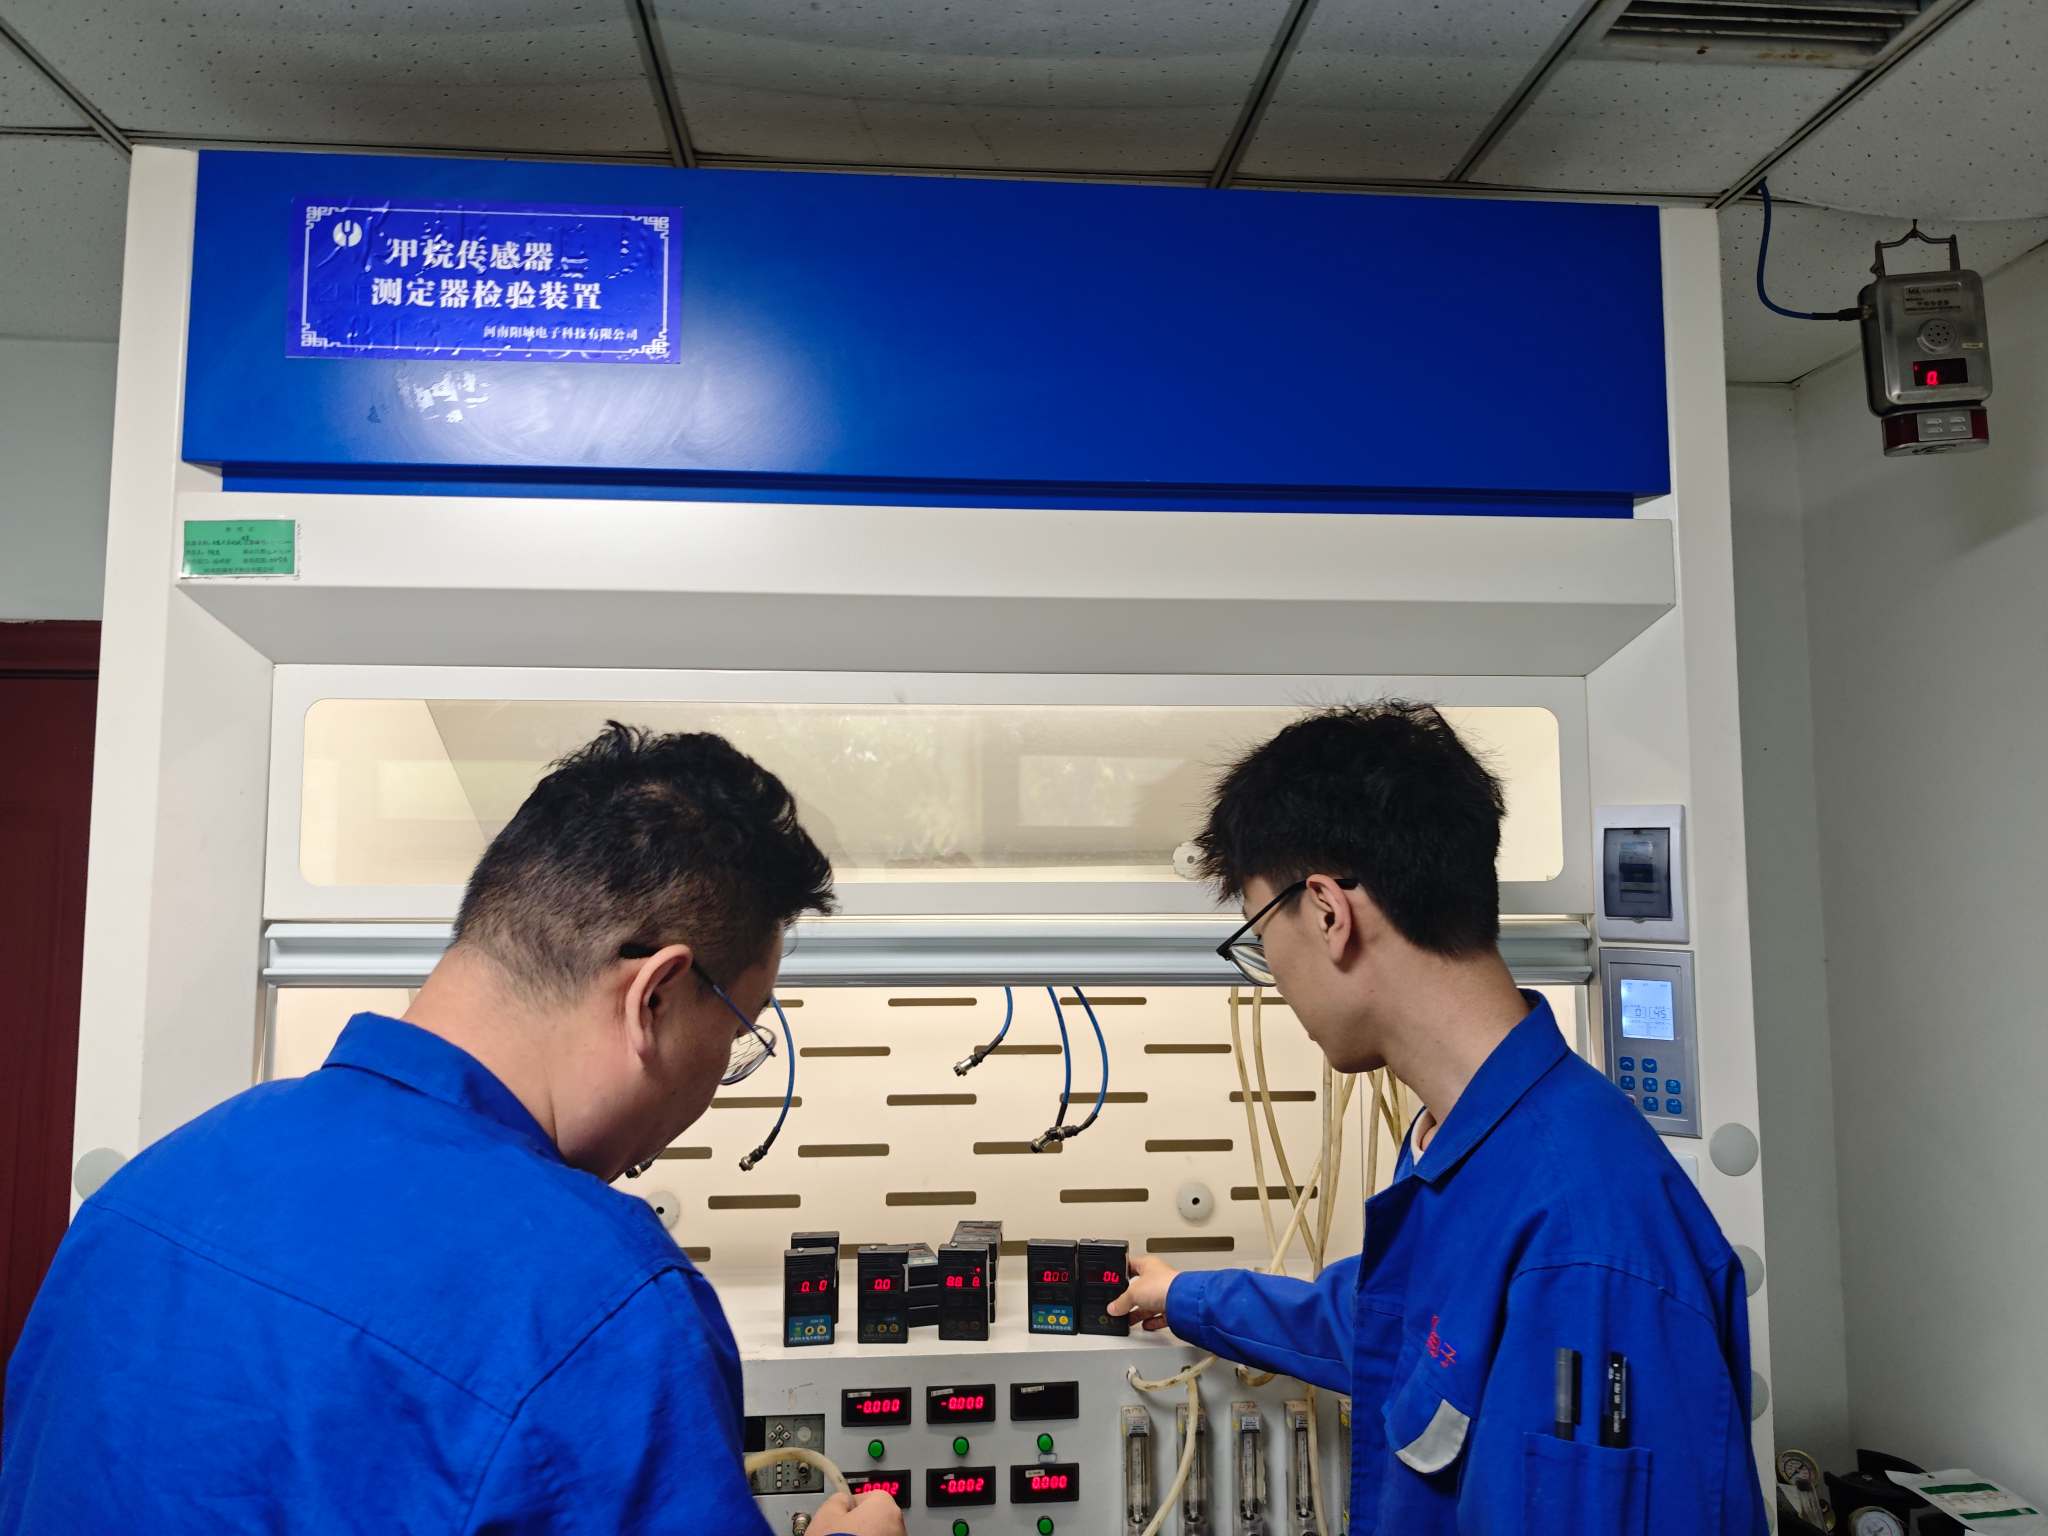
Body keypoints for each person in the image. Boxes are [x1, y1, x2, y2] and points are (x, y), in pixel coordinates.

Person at [1, 724, 903, 1536]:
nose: (716, 1080)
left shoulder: (147, 1193)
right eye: (737, 1036)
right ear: (655, 997)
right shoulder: (601, 1304)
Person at [1109, 703, 1767, 1535]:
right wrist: (1186, 1297)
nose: (1272, 981)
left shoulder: (1587, 1237)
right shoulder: (1468, 1146)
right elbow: (1393, 1328)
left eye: (1260, 940)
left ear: (1327, 913)